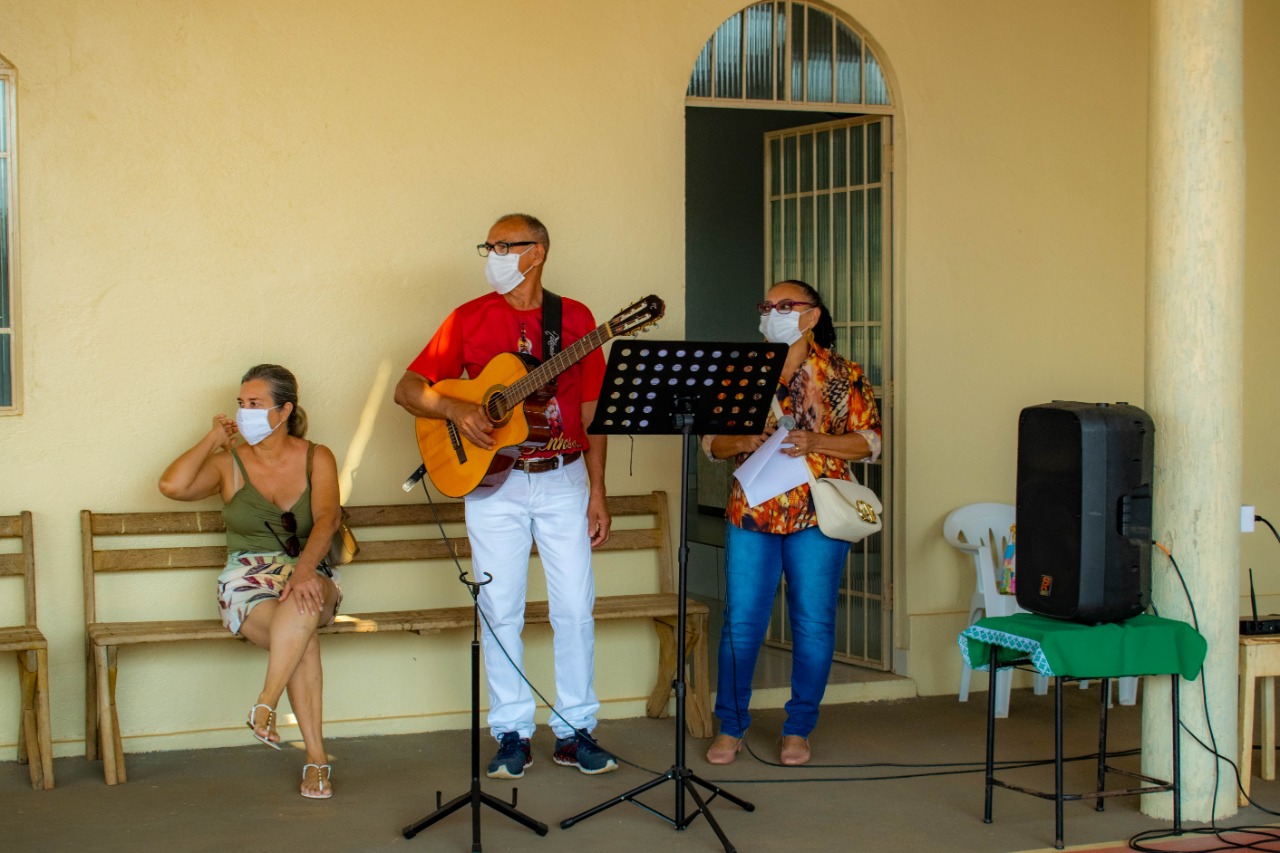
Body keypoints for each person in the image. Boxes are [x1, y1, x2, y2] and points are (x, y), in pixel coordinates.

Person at [393, 213, 617, 778]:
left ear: (535, 252)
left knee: (575, 608)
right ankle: (512, 731)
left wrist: (598, 490)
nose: (491, 255)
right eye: (488, 247)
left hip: (564, 476)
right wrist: (456, 409)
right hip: (495, 483)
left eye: (501, 246)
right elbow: (408, 388)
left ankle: (575, 730)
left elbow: (593, 412)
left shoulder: (576, 319)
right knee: (499, 609)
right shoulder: (468, 317)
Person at [701, 280, 881, 767]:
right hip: (752, 512)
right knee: (741, 624)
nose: (772, 313)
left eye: (785, 305)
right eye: (767, 305)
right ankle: (731, 725)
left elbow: (870, 441)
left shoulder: (842, 373)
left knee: (813, 622)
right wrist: (742, 441)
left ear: (812, 316)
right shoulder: (740, 371)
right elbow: (711, 444)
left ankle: (799, 728)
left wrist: (817, 442)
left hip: (817, 514)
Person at [159, 364, 342, 799]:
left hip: (309, 570)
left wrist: (303, 571)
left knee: (301, 603)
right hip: (247, 580)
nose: (245, 412)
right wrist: (213, 439)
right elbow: (172, 486)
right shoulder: (230, 464)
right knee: (301, 634)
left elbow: (328, 518)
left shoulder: (317, 457)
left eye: (255, 404)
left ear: (285, 410)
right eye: (241, 404)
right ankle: (316, 760)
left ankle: (266, 703)